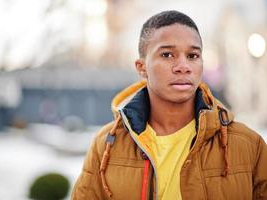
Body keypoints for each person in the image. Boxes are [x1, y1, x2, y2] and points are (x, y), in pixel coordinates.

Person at [71, 10, 267, 200]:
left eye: (192, 56)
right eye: (167, 55)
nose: (183, 66)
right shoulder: (106, 145)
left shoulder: (249, 145)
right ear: (142, 67)